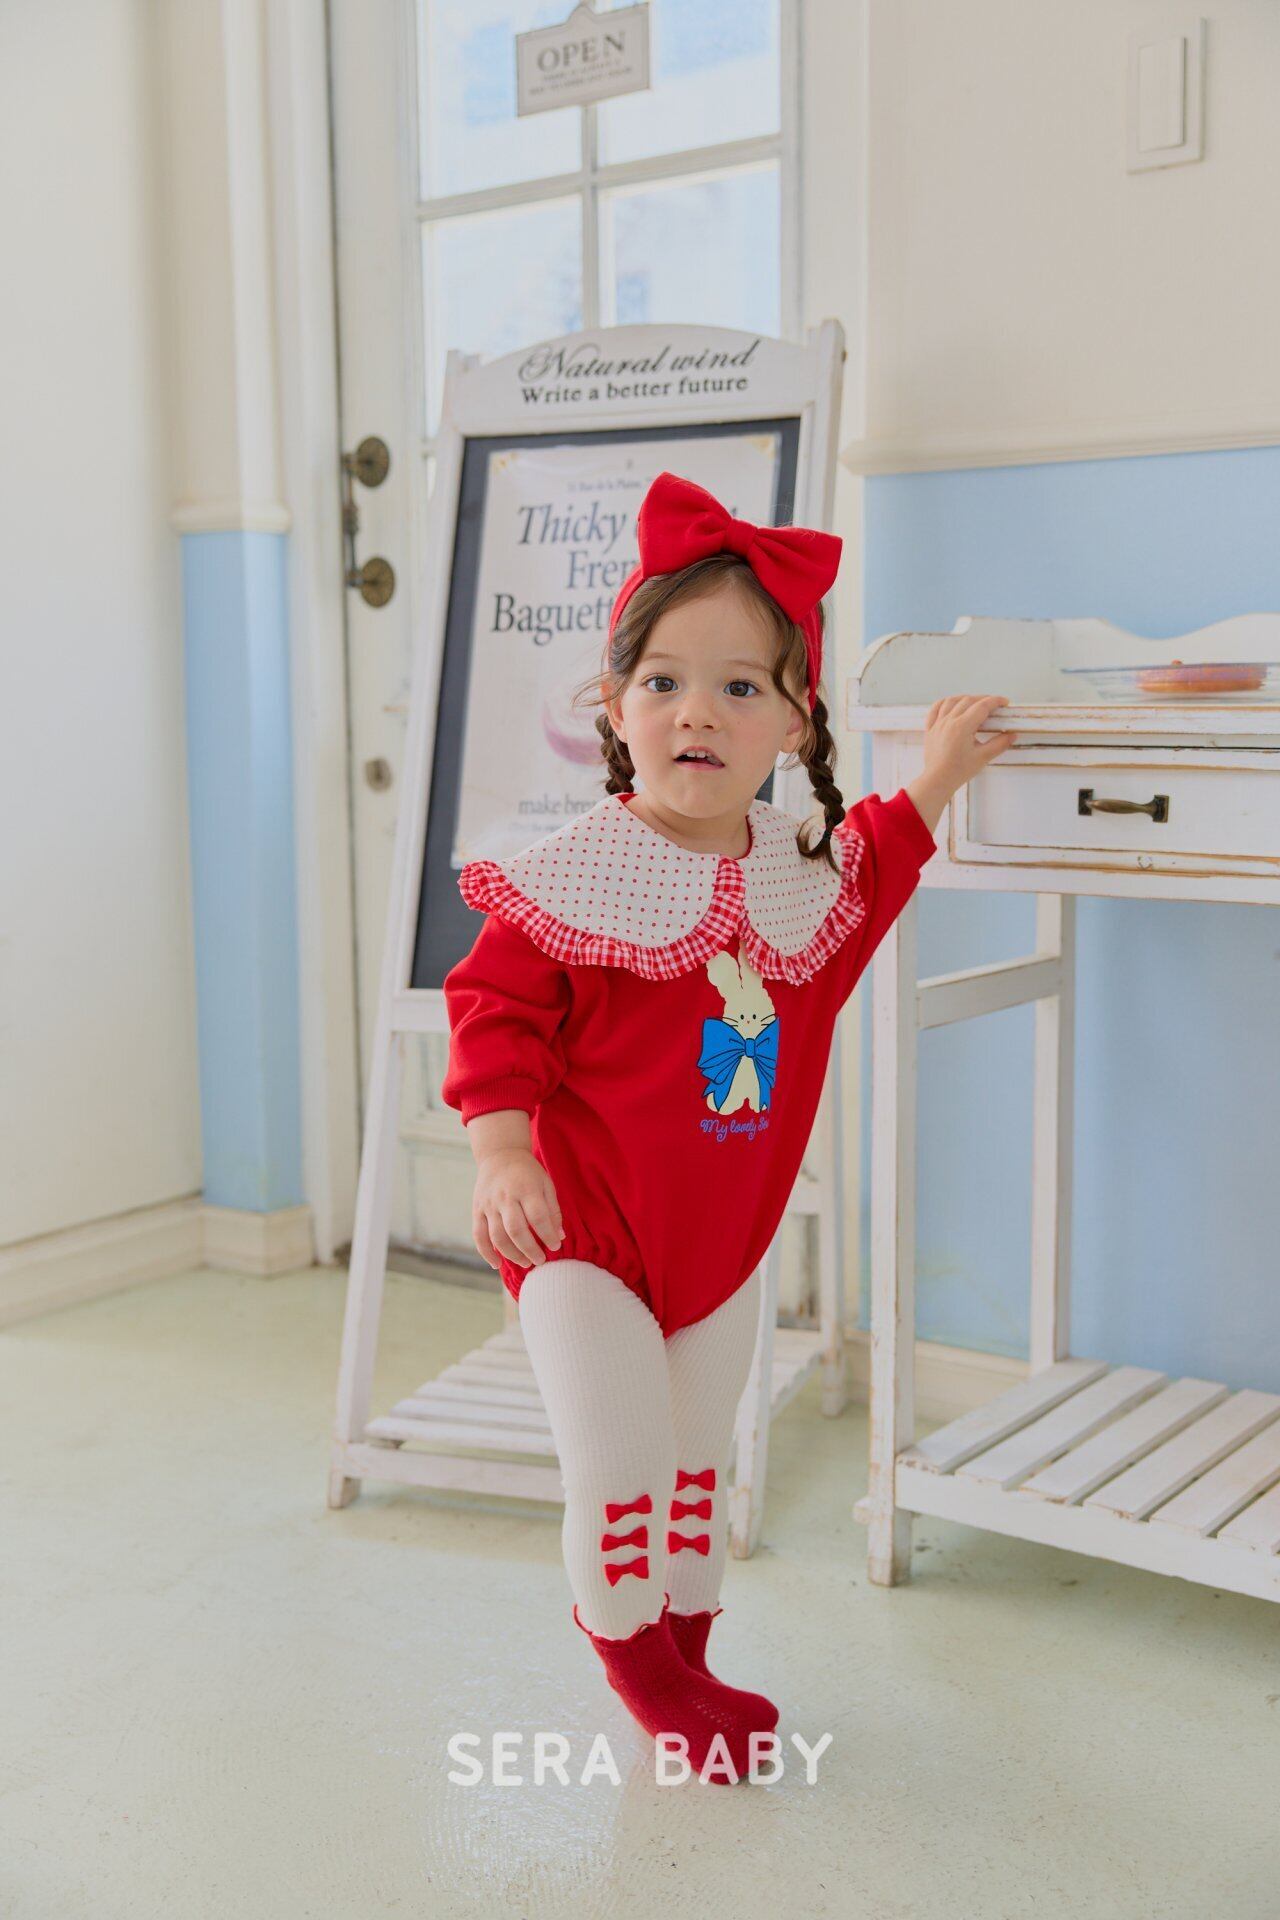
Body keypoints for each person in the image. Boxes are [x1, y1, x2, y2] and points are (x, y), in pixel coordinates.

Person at [441, 469, 1014, 1783]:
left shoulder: (793, 877)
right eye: (664, 681)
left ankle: (689, 1652)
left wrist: (935, 777)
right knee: (625, 1459)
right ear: (616, 707)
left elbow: (872, 868)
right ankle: (643, 1674)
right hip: (583, 1234)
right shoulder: (577, 873)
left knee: (700, 1464)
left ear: (794, 724)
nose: (697, 709)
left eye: (741, 686)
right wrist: (502, 1149)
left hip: (722, 1243)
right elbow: (495, 1008)